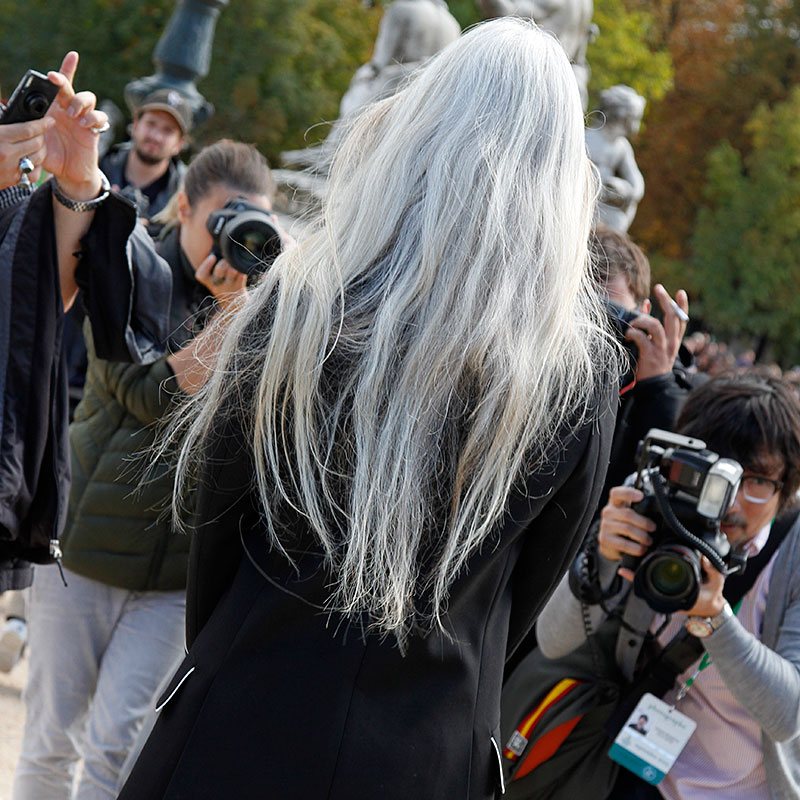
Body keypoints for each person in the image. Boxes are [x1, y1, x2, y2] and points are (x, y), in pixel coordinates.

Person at [119, 18, 620, 800]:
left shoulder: (303, 303)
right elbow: (521, 595)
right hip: (431, 744)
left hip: (243, 708)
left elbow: (217, 528)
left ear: (418, 124)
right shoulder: (578, 375)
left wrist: (230, 650)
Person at [13, 140, 278, 800]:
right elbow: (149, 393)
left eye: (254, 222)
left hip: (171, 579)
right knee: (50, 740)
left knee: (119, 749)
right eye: (225, 217)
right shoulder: (131, 266)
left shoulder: (267, 307)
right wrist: (232, 315)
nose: (236, 238)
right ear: (184, 206)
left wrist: (272, 297)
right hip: (83, 556)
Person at [537, 374, 800, 799]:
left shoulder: (792, 554)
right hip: (627, 772)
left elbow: (789, 715)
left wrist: (714, 618)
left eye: (756, 482)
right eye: (717, 478)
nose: (731, 504)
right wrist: (603, 554)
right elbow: (551, 641)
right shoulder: (659, 506)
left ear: (786, 487)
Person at [99, 88, 190, 221]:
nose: (156, 136)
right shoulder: (99, 167)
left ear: (179, 144)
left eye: (168, 130)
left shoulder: (183, 196)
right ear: (135, 126)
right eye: (151, 124)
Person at [585, 85, 646, 233]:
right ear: (623, 116)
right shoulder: (588, 138)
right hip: (586, 202)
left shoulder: (622, 147)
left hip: (608, 204)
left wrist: (626, 191)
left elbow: (637, 182)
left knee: (617, 223)